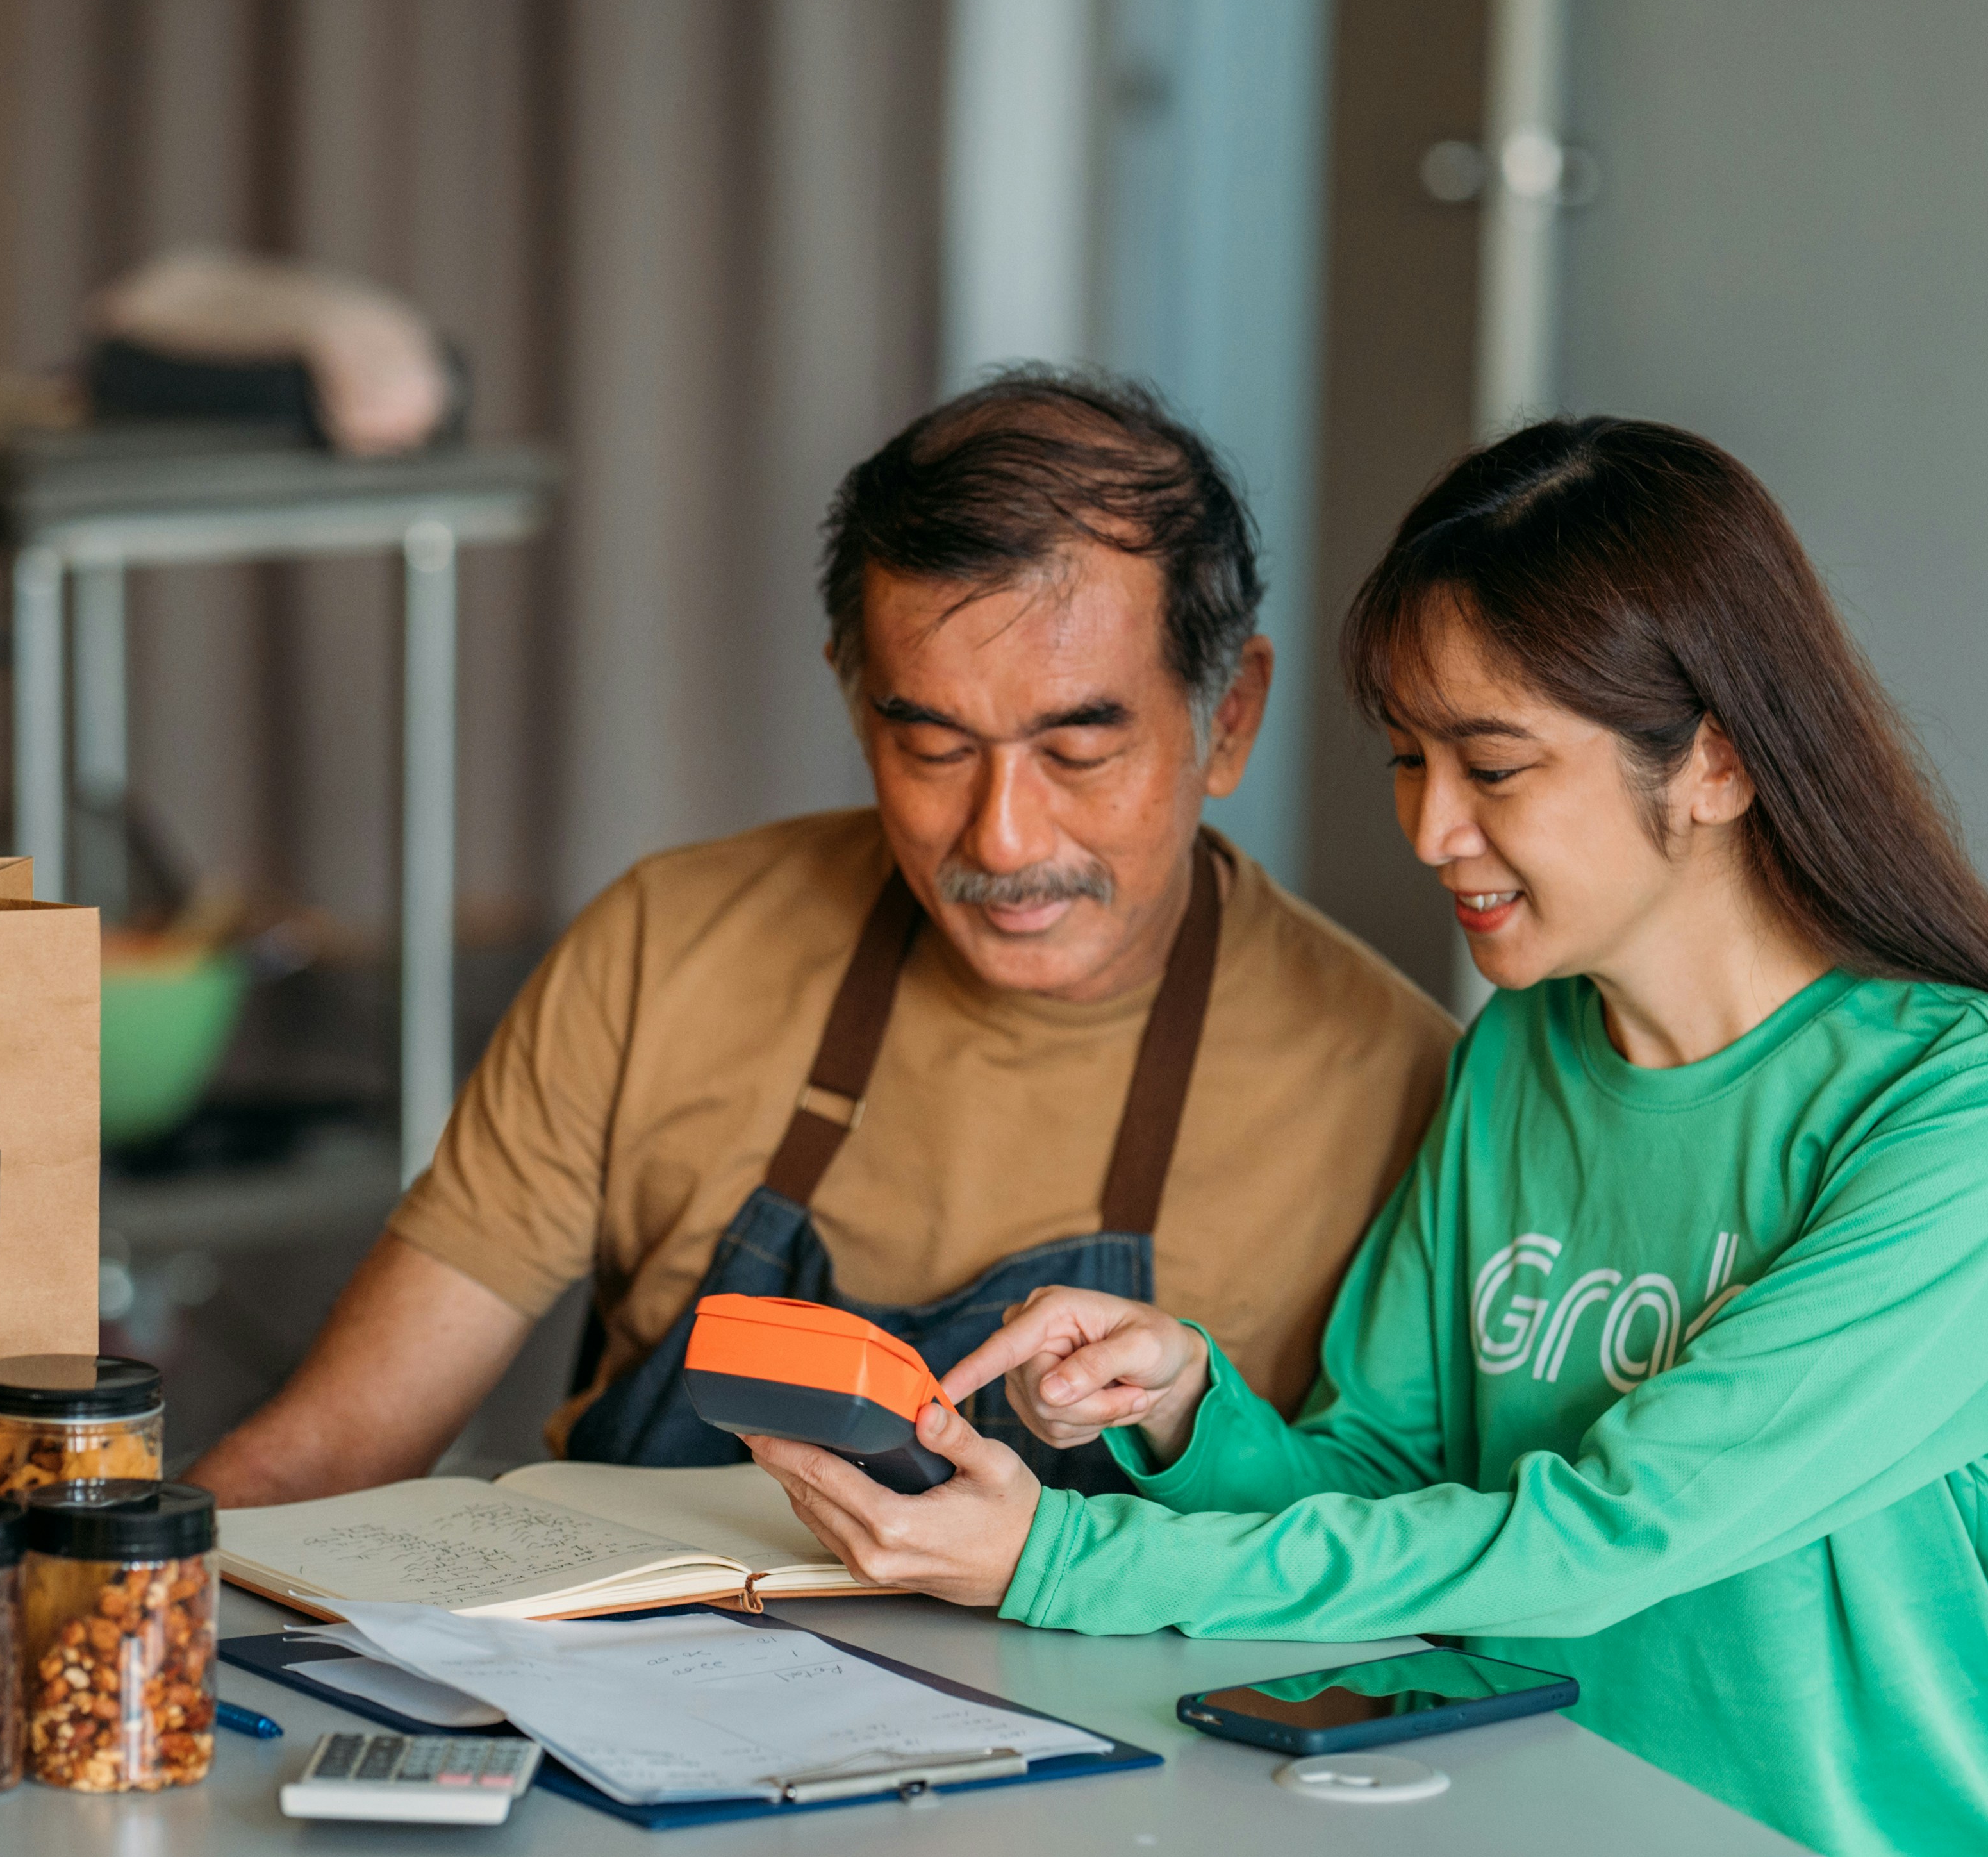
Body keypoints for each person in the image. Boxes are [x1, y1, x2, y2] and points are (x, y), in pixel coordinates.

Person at [736, 418, 1988, 1857]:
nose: (1427, 830)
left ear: (1718, 760)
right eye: (1409, 759)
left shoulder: (1970, 1120)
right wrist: (1186, 1417)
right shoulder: (1526, 1060)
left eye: (1494, 766)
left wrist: (1072, 1566)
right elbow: (1401, 1476)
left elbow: (1605, 1539)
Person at [188, 370, 1452, 1506]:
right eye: (934, 746)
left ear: (1228, 719)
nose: (1003, 838)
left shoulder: (1401, 1088)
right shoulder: (666, 949)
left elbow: (1402, 1566)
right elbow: (326, 1453)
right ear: (855, 698)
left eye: (1078, 749)